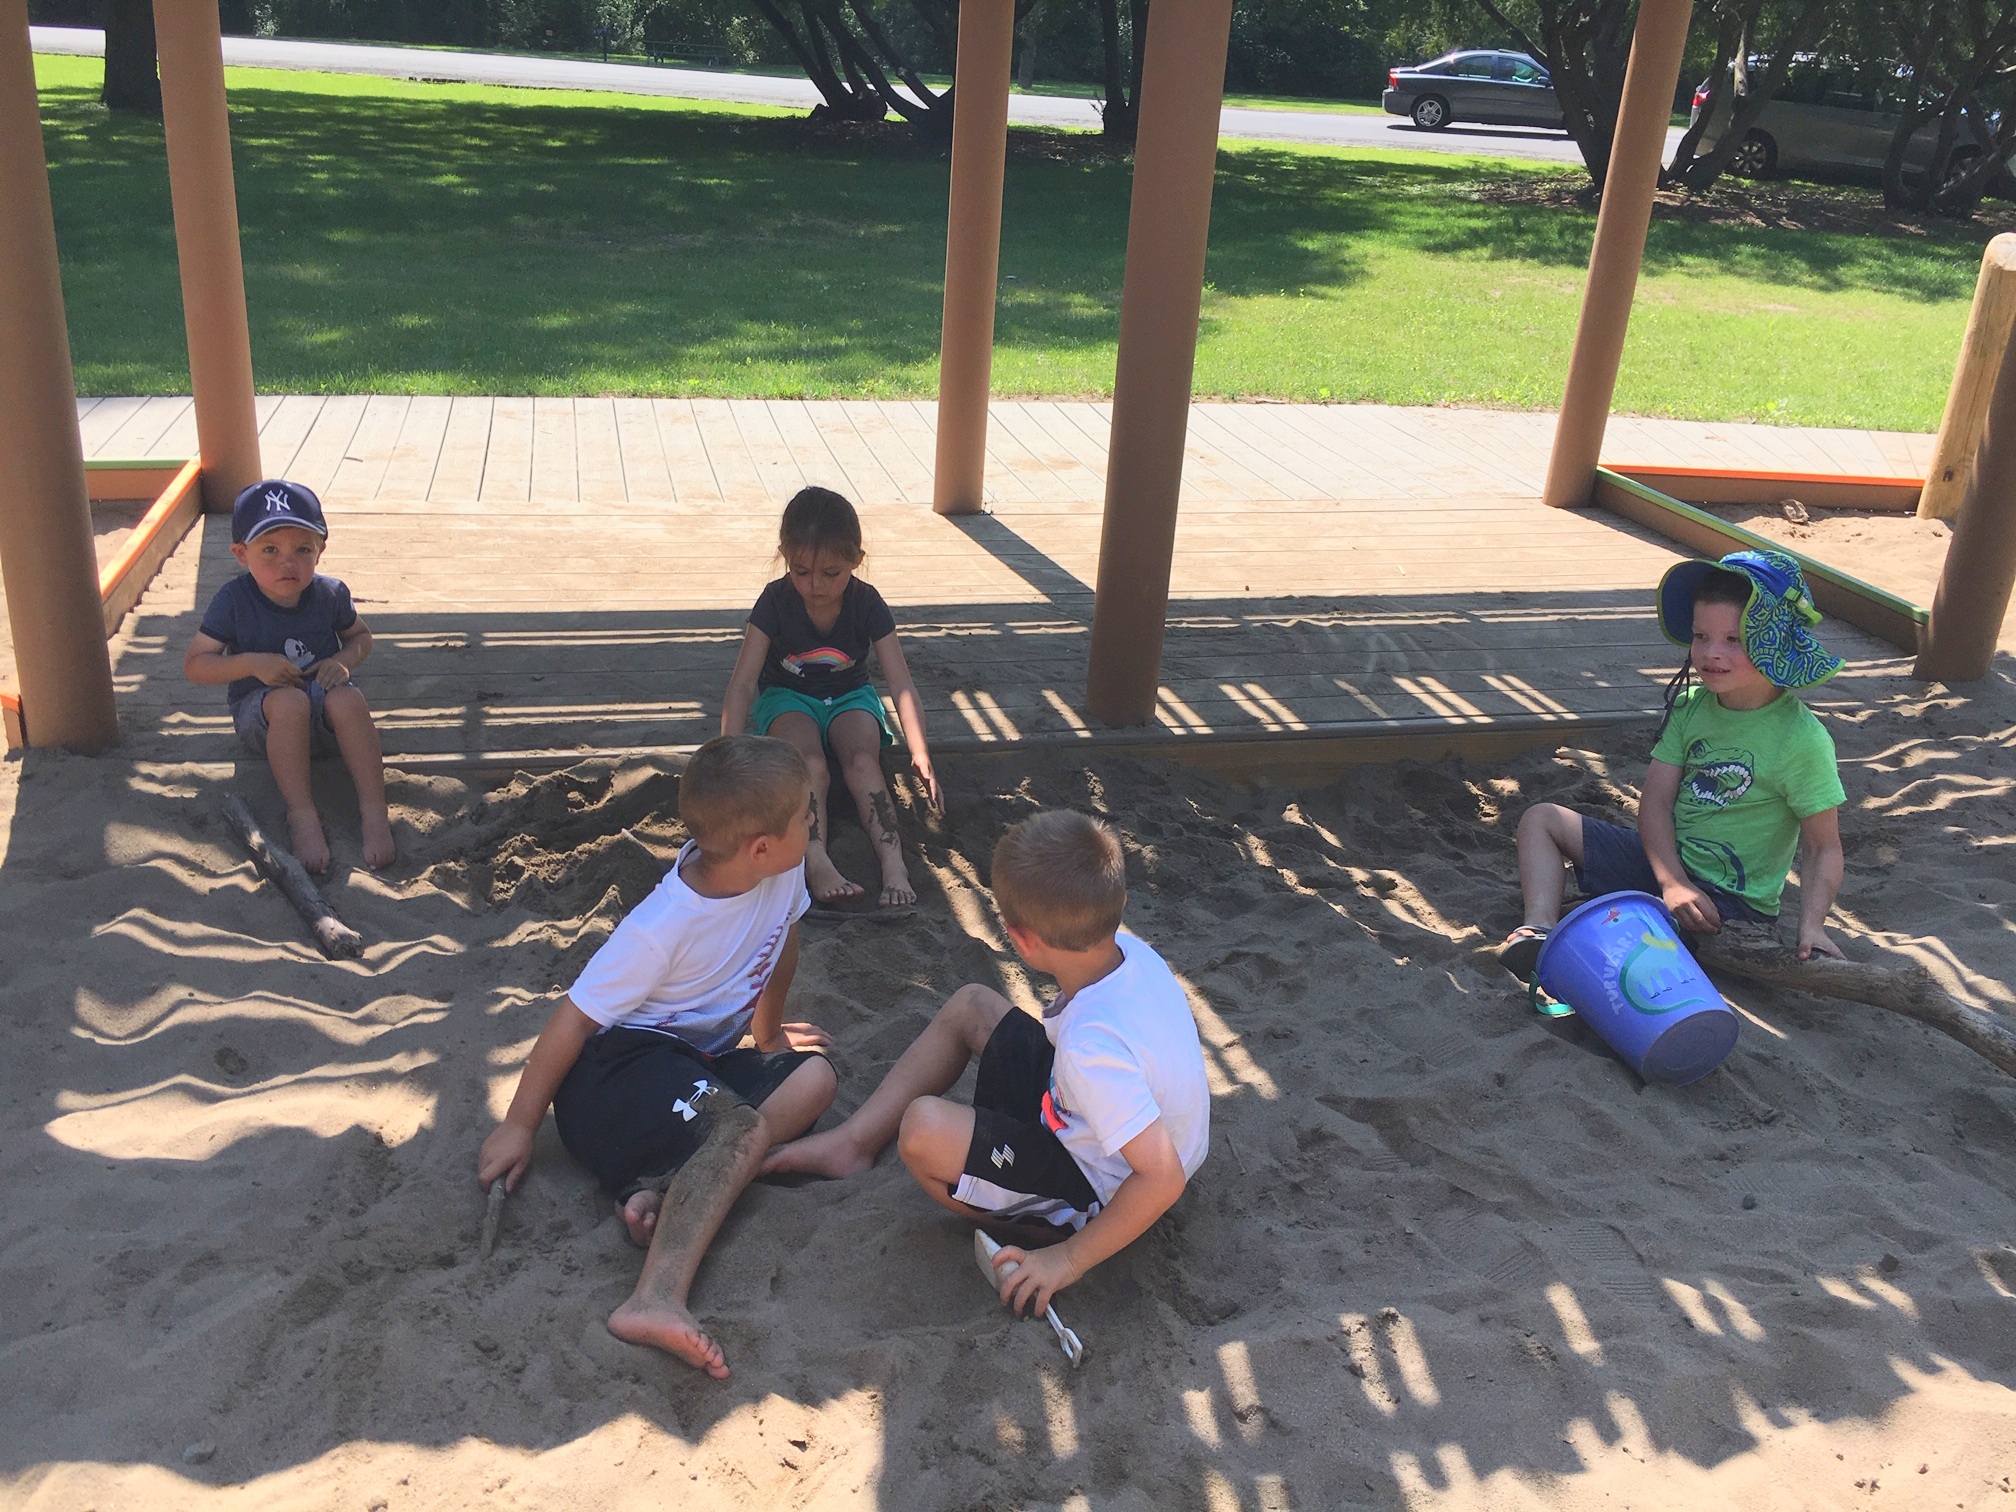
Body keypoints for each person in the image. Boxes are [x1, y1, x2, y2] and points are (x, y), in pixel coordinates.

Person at [476, 735, 837, 1379]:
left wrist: (771, 1032)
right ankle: (654, 1296)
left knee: (815, 1078)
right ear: (761, 846)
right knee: (741, 1127)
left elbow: (782, 942)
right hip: (612, 1078)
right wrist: (519, 1125)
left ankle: (671, 1188)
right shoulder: (661, 926)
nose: (815, 821)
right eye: (807, 814)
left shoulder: (783, 873)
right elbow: (573, 1020)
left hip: (691, 1070)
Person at [764, 809, 1210, 1319]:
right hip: (1092, 1116)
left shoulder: (1093, 1049)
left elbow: (1162, 1178)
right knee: (974, 1005)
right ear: (1119, 901)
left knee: (923, 1132)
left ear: (1020, 940)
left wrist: (1065, 1261)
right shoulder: (1131, 952)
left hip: (1105, 1187)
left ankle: (1049, 1227)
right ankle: (853, 1143)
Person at [1498, 548, 1848, 979]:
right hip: (1663, 868)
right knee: (1541, 819)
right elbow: (1656, 805)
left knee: (1635, 942)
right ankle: (1539, 930)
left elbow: (1823, 846)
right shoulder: (1691, 707)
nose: (1711, 653)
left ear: (1773, 640)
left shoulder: (1803, 740)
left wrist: (1811, 925)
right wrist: (1671, 881)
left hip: (1730, 906)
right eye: (1701, 636)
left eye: (1733, 640)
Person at [721, 486, 941, 909]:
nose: (814, 585)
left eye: (830, 573)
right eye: (801, 571)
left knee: (862, 760)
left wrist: (919, 748)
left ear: (857, 561)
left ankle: (893, 862)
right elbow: (744, 682)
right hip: (788, 696)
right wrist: (727, 747)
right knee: (811, 763)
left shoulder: (867, 603)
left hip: (849, 694)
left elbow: (900, 684)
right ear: (784, 555)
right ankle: (817, 858)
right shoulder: (775, 601)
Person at [184, 480, 394, 872]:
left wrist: (345, 661)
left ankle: (373, 809)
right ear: (241, 554)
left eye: (302, 549)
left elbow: (360, 637)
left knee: (349, 698)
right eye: (269, 550)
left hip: (325, 712)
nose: (288, 562)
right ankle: (302, 815)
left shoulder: (330, 593)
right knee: (288, 701)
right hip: (264, 718)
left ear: (320, 550)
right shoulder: (233, 601)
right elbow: (196, 665)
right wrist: (250, 663)